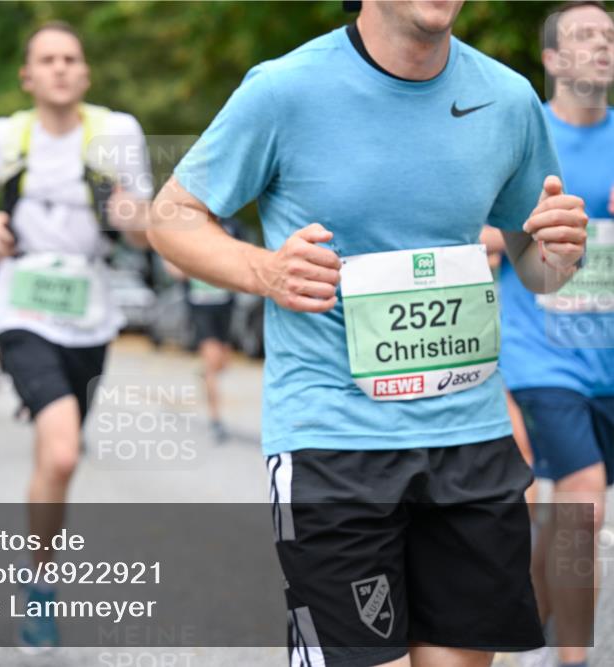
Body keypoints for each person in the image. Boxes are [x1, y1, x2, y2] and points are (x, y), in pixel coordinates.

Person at [147, 1, 589, 665]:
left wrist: (558, 252)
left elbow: (538, 264)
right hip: (335, 437)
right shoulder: (285, 89)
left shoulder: (506, 98)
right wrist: (264, 269)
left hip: (468, 436)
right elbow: (171, 215)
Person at [0, 21, 152, 649]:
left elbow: (148, 226)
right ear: (28, 76)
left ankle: (38, 566)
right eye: (48, 59)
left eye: (71, 58)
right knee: (63, 450)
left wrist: (132, 217)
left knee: (55, 459)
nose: (61, 68)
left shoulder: (116, 133)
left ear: (85, 73)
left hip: (89, 312)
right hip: (21, 306)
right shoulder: (3, 137)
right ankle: (39, 583)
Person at [492, 4, 613, 666]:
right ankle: (573, 657)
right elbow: (475, 218)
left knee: (570, 512)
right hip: (540, 354)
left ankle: (535, 623)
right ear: (553, 59)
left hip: (608, 359)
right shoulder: (526, 133)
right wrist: (501, 234)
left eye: (611, 36)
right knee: (585, 501)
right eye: (584, 36)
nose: (602, 45)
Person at [163, 217, 246, 444]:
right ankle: (216, 420)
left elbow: (243, 258)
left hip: (226, 305)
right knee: (212, 360)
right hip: (201, 306)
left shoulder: (232, 226)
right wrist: (187, 267)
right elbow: (171, 261)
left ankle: (206, 374)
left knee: (222, 363)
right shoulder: (190, 224)